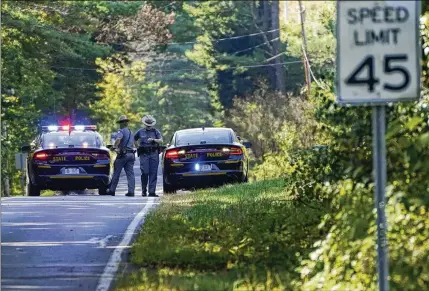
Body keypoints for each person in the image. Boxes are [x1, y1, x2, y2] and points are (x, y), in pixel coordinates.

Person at [134, 115, 163, 197]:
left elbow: (161, 140)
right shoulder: (140, 131)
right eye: (147, 125)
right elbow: (134, 139)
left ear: (152, 125)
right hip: (144, 154)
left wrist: (154, 140)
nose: (149, 126)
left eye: (150, 125)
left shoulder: (156, 132)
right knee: (145, 172)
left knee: (153, 173)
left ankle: (152, 191)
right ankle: (144, 190)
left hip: (154, 154)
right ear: (145, 124)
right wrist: (137, 146)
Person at [107, 115, 135, 197]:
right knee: (130, 174)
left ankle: (112, 190)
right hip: (131, 155)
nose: (120, 124)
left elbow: (118, 139)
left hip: (123, 155)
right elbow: (133, 144)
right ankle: (131, 191)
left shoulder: (121, 131)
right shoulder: (131, 132)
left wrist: (114, 147)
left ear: (122, 123)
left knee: (116, 173)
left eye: (121, 123)